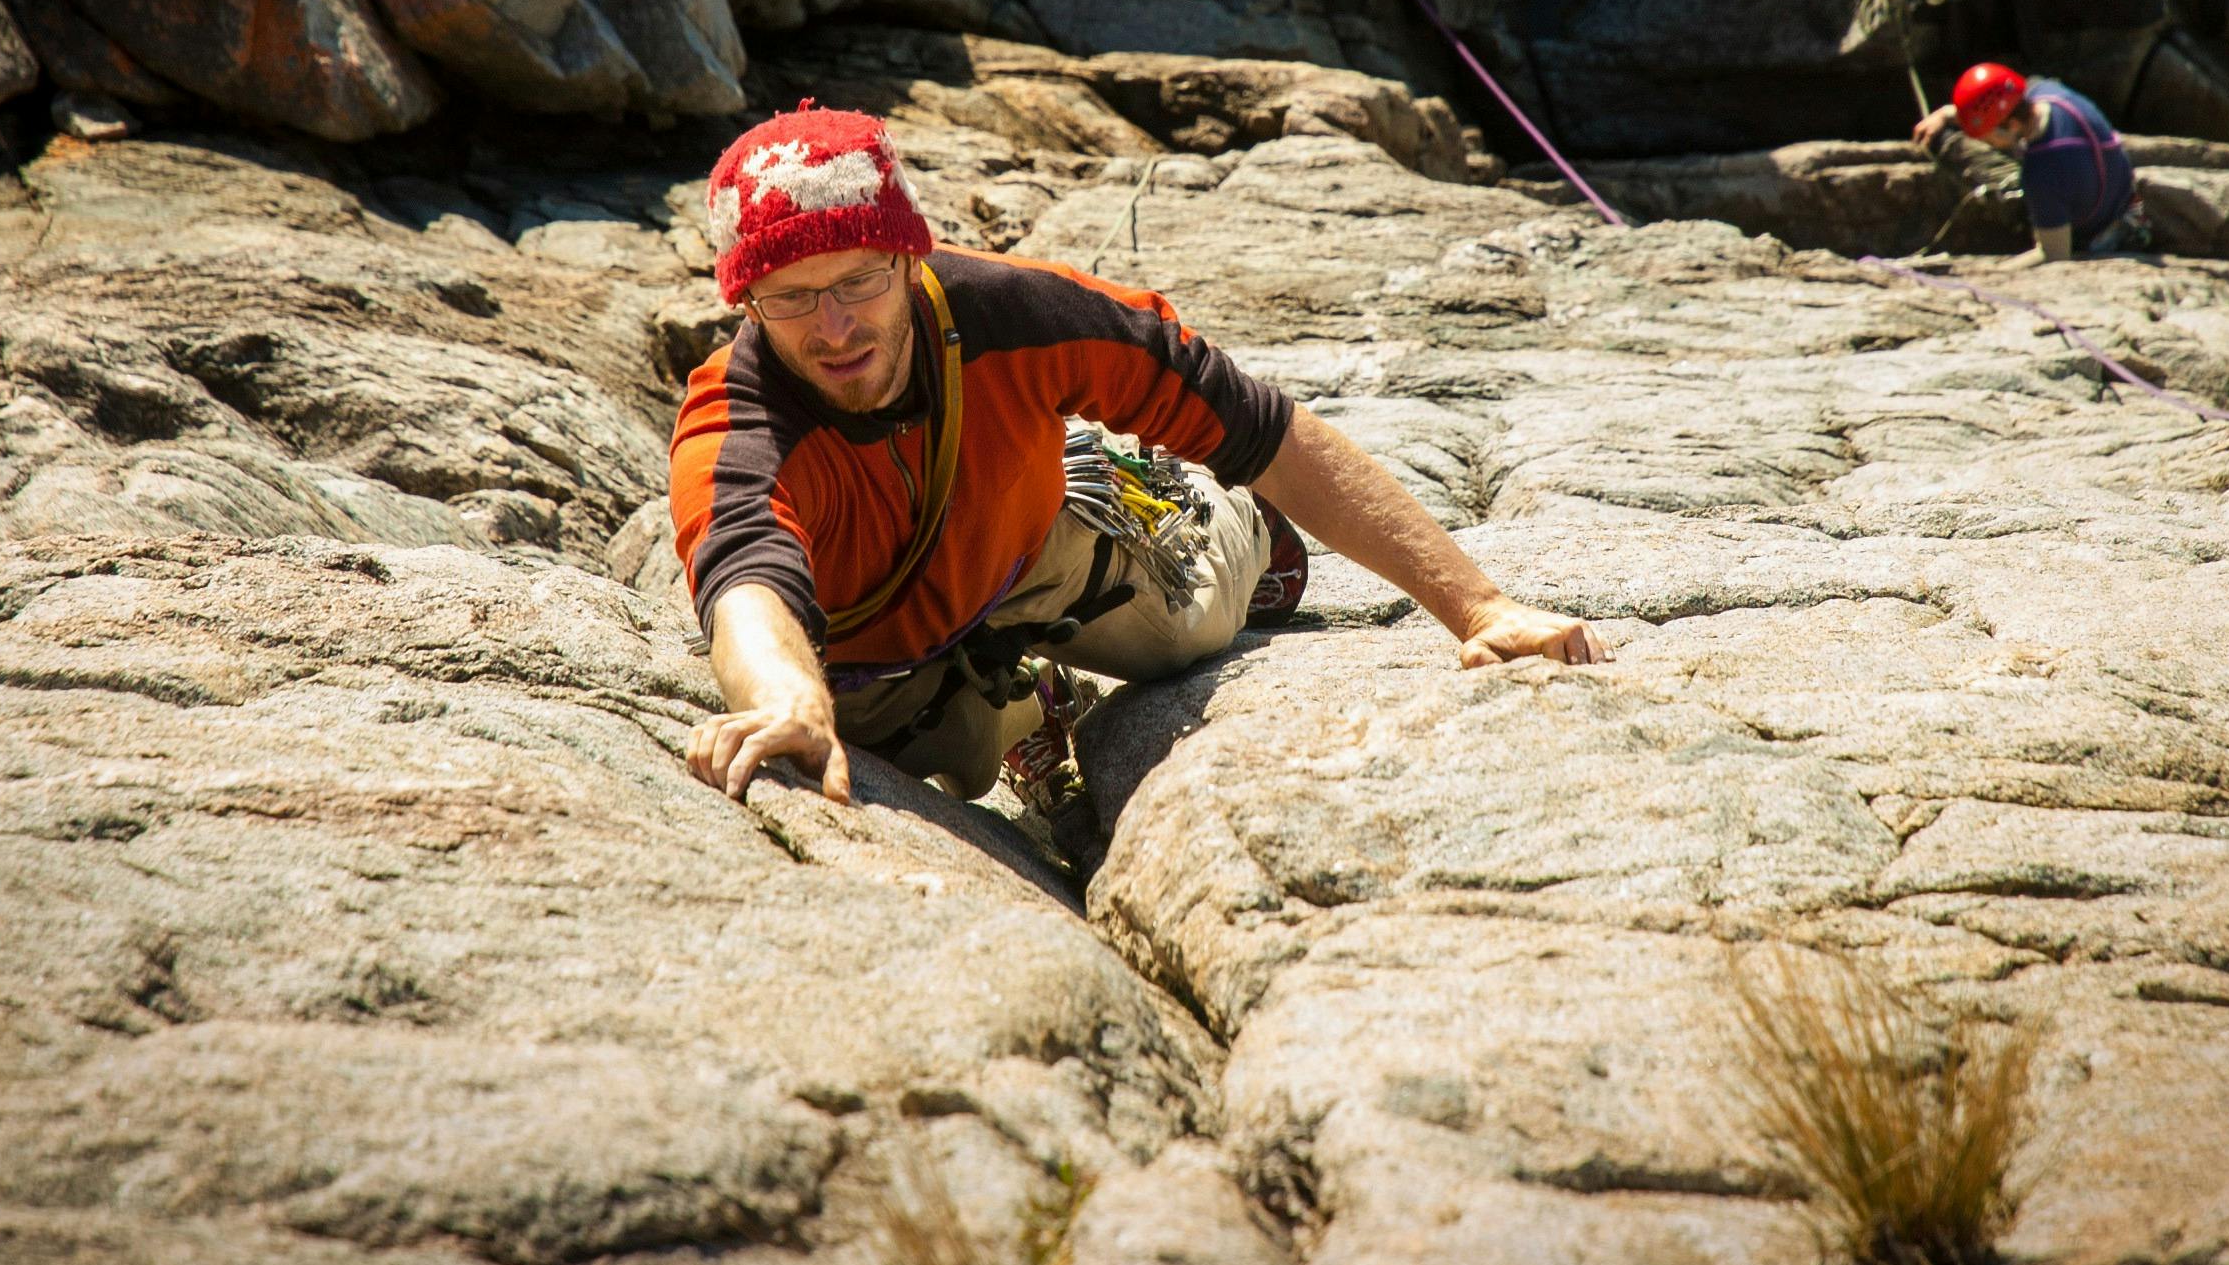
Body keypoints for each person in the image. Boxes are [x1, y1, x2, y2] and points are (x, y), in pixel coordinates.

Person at [669, 104, 1606, 808]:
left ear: (912, 261)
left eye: (859, 282)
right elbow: (745, 572)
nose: (835, 329)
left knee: (1190, 631)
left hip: (1028, 537)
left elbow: (1258, 426)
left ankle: (1211, 517)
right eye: (790, 298)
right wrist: (788, 697)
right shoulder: (738, 422)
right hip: (885, 654)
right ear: (746, 304)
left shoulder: (1016, 314)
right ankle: (1026, 704)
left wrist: (1479, 607)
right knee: (931, 754)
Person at [1909, 60, 2145, 266]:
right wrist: (1948, 114)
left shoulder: (2041, 172)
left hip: (2101, 238)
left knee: (1949, 145)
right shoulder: (2047, 90)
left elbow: (2054, 255)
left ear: (2011, 125)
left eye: (1986, 135)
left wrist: (1995, 273)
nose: (1983, 142)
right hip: (2124, 205)